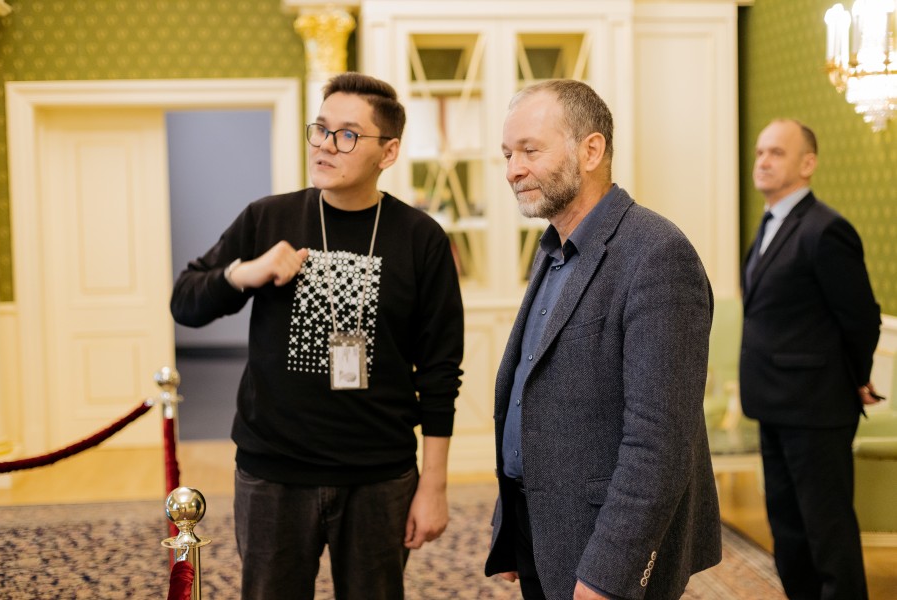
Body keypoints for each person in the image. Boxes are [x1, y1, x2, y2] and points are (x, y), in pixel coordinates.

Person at [170, 72, 464, 600]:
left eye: (347, 134)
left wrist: (434, 485)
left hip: (379, 474)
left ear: (388, 151)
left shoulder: (421, 239)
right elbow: (185, 302)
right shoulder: (268, 218)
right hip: (273, 472)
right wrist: (245, 273)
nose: (326, 145)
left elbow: (441, 370)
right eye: (321, 129)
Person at [484, 79, 721, 599]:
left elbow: (660, 444)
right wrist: (512, 519)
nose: (512, 170)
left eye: (529, 150)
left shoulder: (657, 254)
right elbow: (531, 390)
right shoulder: (551, 249)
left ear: (591, 150)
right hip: (541, 526)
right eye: (507, 154)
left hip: (605, 549)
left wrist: (609, 572)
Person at [740, 118, 881, 599]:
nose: (763, 161)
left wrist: (857, 377)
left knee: (827, 534)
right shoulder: (769, 224)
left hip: (817, 409)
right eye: (760, 151)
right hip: (772, 404)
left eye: (776, 153)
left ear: (808, 164)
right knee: (788, 533)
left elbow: (861, 318)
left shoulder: (827, 229)